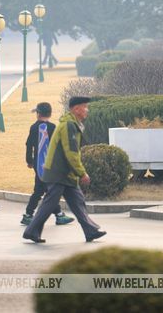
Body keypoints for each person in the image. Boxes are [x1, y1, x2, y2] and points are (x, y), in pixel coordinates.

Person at [23, 96, 106, 244]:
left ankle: (90, 231)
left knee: (77, 201)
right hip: (58, 172)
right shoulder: (69, 126)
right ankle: (31, 231)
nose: (87, 110)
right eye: (85, 107)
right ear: (76, 109)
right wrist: (82, 173)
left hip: (64, 173)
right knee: (49, 204)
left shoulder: (72, 124)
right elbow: (71, 153)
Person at [21, 102, 74, 227]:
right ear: (50, 114)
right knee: (48, 190)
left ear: (38, 114)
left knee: (42, 189)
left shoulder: (34, 127)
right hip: (49, 164)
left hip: (38, 163)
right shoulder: (53, 127)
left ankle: (31, 215)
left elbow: (29, 145)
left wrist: (29, 161)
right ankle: (57, 215)